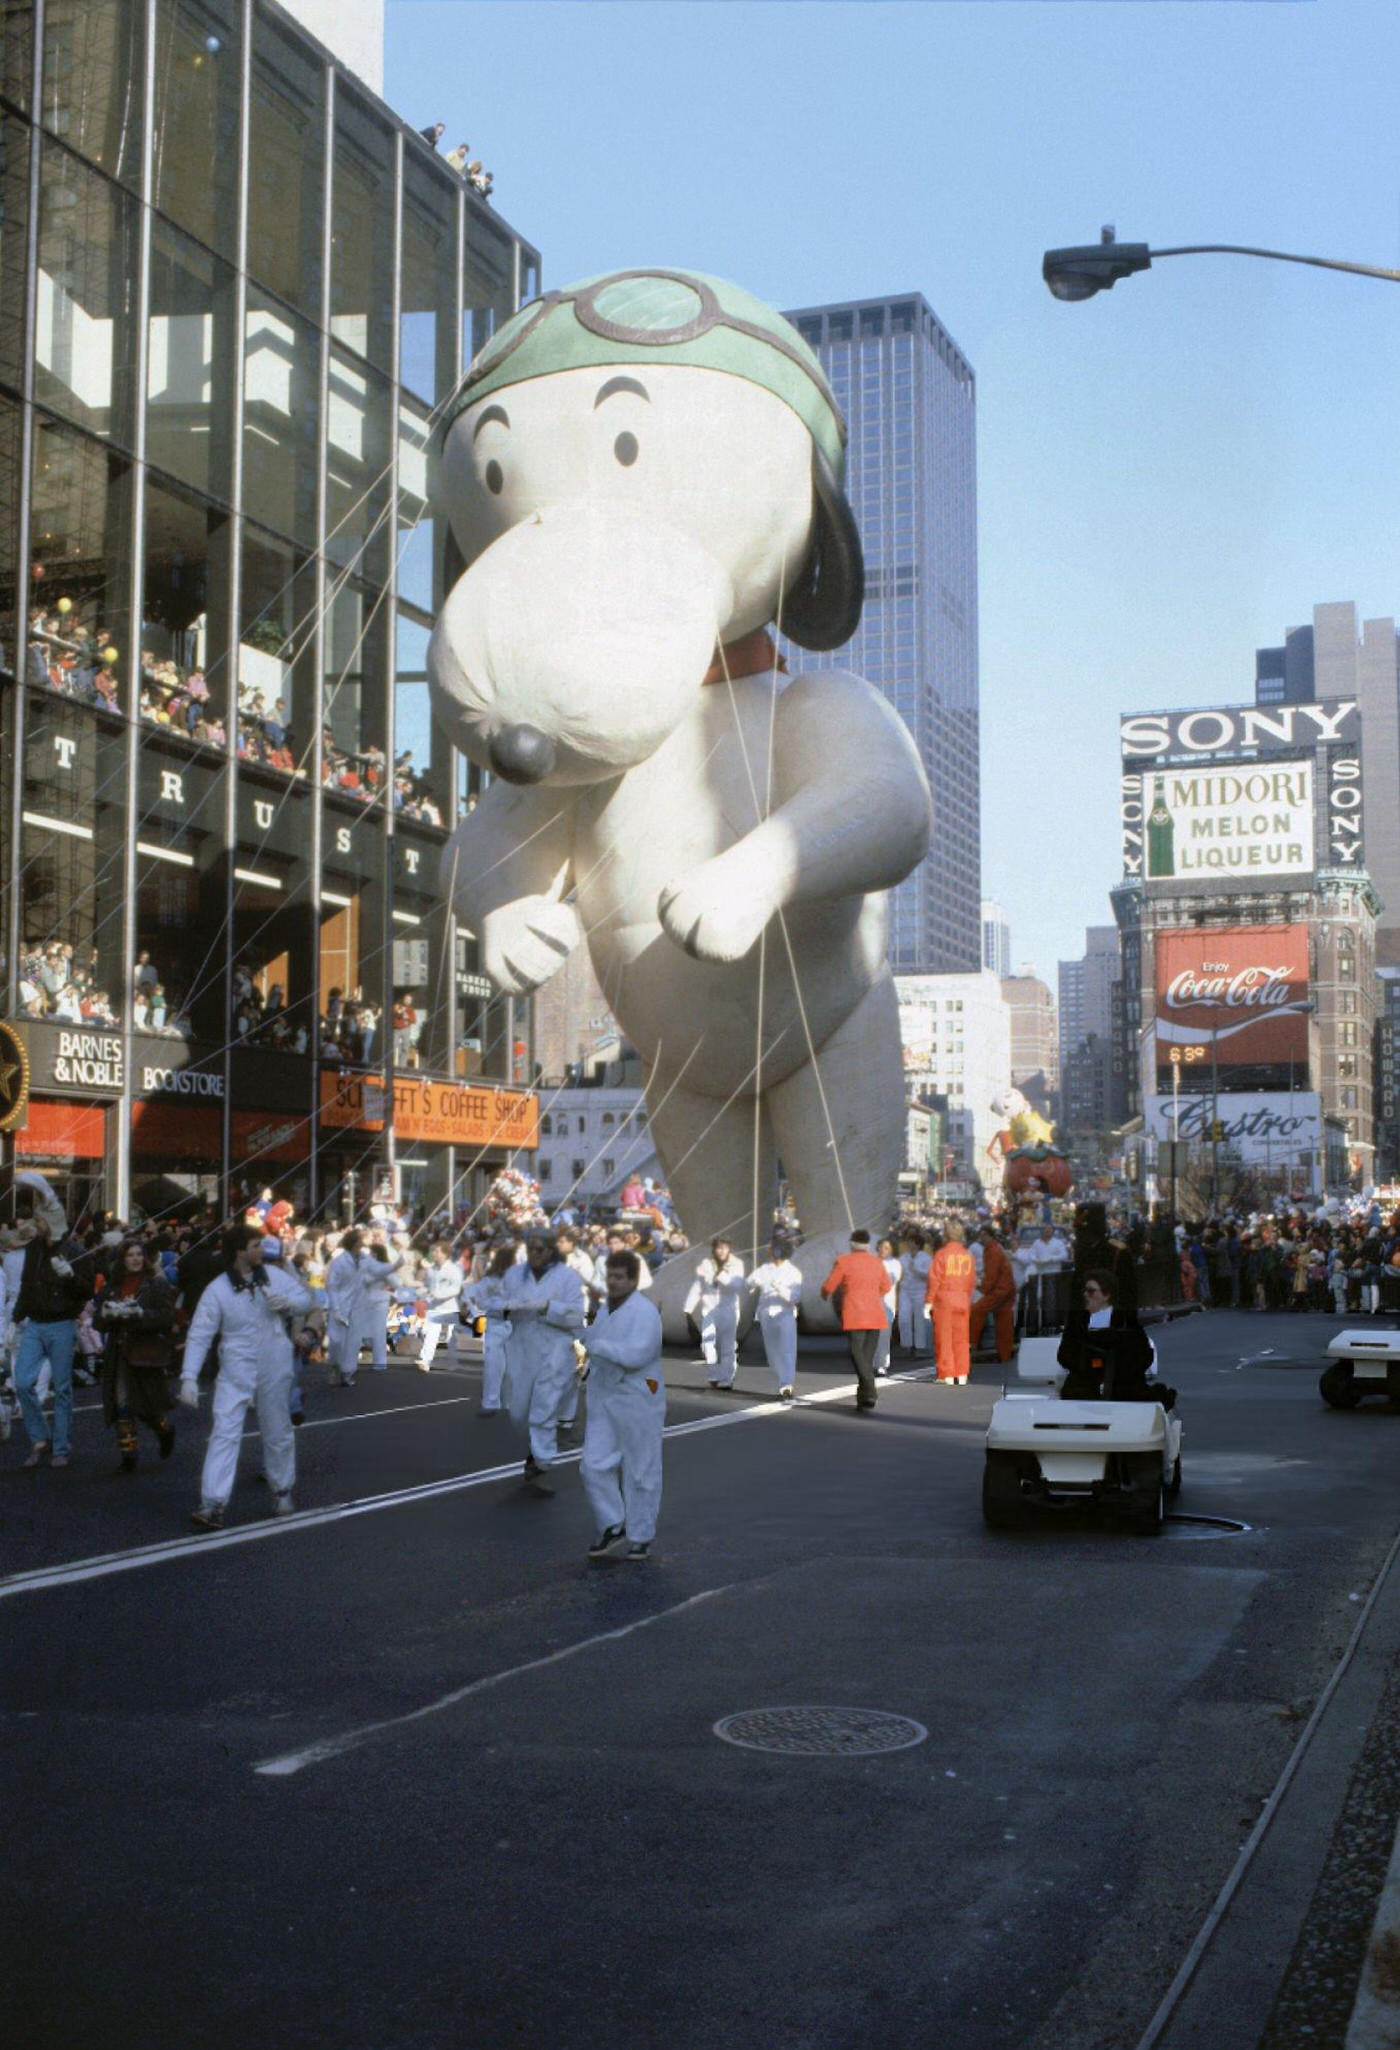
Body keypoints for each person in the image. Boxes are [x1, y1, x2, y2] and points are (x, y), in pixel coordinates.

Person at [180, 1225, 314, 1528]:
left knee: (277, 1427)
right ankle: (213, 1502)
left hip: (274, 1360)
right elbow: (200, 1333)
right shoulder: (218, 1290)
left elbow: (305, 1299)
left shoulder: (275, 1277)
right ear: (239, 1251)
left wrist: (289, 1303)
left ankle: (282, 1490)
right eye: (255, 1245)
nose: (261, 1251)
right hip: (237, 1364)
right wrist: (189, 1375)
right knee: (224, 1430)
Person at [580, 1250, 666, 1562]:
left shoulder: (645, 1312)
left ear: (632, 1279)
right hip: (604, 1395)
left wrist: (597, 1346)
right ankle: (612, 1522)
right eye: (610, 1276)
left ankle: (641, 1534)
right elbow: (596, 1345)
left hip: (639, 1395)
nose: (613, 1283)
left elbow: (639, 1354)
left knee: (641, 1467)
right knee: (593, 1464)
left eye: (619, 1277)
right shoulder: (605, 1309)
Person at [500, 1230, 587, 1492]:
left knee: (544, 1408)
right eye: (530, 1249)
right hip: (521, 1348)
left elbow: (576, 1315)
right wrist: (507, 1307)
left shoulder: (568, 1278)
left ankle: (541, 1463)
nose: (533, 1254)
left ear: (551, 1251)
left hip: (555, 1350)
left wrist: (548, 1308)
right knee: (518, 1411)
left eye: (539, 1249)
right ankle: (535, 1451)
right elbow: (497, 1305)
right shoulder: (514, 1274)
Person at [11, 1214, 95, 1468]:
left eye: (41, 1220)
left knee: (61, 1389)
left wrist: (69, 1276)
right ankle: (41, 1438)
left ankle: (59, 1447)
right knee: (22, 1381)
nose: (37, 1225)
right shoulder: (34, 1248)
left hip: (61, 1323)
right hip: (35, 1323)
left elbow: (87, 1291)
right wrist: (15, 1319)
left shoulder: (75, 1250)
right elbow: (27, 1285)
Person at [97, 1238, 177, 1471]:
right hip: (120, 1352)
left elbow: (166, 1317)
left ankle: (165, 1430)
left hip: (145, 1351)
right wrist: (109, 1314)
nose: (135, 1259)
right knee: (122, 1403)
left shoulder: (155, 1284)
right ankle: (128, 1456)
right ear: (122, 1260)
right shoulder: (112, 1287)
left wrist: (140, 1314)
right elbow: (97, 1320)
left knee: (148, 1406)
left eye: (139, 1255)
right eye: (130, 1255)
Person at [1057, 1270, 1162, 1403]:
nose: (1085, 1295)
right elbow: (1064, 1355)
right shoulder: (1076, 1322)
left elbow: (1142, 1356)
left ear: (1106, 1295)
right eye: (1084, 1291)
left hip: (1121, 1387)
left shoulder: (1125, 1321)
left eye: (1091, 1291)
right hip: (1083, 1386)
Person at [820, 1228, 891, 1411]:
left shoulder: (844, 1261)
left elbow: (830, 1285)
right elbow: (886, 1286)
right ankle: (864, 1396)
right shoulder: (877, 1262)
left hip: (855, 1315)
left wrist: (824, 1294)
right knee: (866, 1357)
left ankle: (870, 1390)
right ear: (867, 1245)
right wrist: (872, 1296)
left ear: (852, 1244)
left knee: (857, 1354)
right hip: (875, 1314)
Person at [685, 1237, 746, 1388]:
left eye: (724, 1248)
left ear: (729, 1249)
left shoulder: (737, 1264)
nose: (721, 1251)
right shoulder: (706, 1264)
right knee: (707, 1342)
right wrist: (688, 1308)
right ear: (714, 1249)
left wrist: (723, 1276)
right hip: (709, 1309)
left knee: (727, 1346)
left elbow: (737, 1286)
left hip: (728, 1309)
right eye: (719, 1248)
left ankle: (727, 1379)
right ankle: (713, 1374)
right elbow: (697, 1286)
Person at [747, 1238, 804, 1399]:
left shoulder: (793, 1272)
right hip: (766, 1313)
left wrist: (779, 1287)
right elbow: (748, 1283)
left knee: (787, 1349)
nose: (771, 1252)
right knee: (772, 1352)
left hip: (784, 1312)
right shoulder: (764, 1269)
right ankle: (781, 1377)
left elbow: (795, 1297)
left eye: (774, 1249)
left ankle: (787, 1383)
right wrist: (753, 1281)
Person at [465, 1243, 515, 1415]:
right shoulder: (490, 1280)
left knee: (511, 1368)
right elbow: (479, 1300)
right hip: (496, 1321)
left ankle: (509, 1402)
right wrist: (497, 1304)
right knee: (494, 1364)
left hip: (515, 1324)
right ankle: (491, 1402)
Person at [926, 1221, 977, 1385]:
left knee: (944, 1337)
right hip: (962, 1299)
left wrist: (928, 1302)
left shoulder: (941, 1254)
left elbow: (935, 1280)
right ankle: (962, 1373)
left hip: (945, 1299)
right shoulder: (968, 1256)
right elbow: (971, 1281)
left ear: (946, 1235)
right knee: (962, 1338)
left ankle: (946, 1373)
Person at [348, 1232, 401, 1374]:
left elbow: (397, 1282)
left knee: (378, 1333)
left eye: (371, 1254)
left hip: (379, 1302)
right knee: (358, 1332)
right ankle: (351, 1362)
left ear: (376, 1255)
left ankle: (380, 1362)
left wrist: (388, 1284)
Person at [970, 1226, 1017, 1363]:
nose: (982, 1238)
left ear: (990, 1236)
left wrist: (982, 1287)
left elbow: (991, 1274)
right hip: (1006, 1289)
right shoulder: (996, 1248)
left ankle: (972, 1344)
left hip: (999, 1291)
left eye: (984, 1235)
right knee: (1004, 1322)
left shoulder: (992, 1251)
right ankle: (1005, 1354)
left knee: (976, 1311)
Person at [418, 1240, 465, 1371]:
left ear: (445, 1254)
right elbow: (427, 1285)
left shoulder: (454, 1269)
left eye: (437, 1251)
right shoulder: (431, 1270)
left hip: (450, 1305)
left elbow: (456, 1289)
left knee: (451, 1337)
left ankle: (452, 1362)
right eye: (433, 1251)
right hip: (434, 1306)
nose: (434, 1253)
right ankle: (425, 1360)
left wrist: (439, 1294)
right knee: (431, 1332)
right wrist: (423, 1292)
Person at [896, 1232, 932, 1356]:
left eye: (911, 1242)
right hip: (905, 1290)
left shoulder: (926, 1257)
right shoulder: (903, 1257)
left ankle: (920, 1347)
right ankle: (907, 1345)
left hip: (920, 1290)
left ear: (917, 1244)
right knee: (904, 1318)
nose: (908, 1244)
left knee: (919, 1319)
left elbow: (929, 1274)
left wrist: (916, 1270)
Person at [873, 1235, 903, 1377]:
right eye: (881, 1247)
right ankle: (872, 1362)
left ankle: (882, 1364)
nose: (883, 1250)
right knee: (872, 1334)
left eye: (886, 1248)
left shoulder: (895, 1264)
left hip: (887, 1303)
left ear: (891, 1250)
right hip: (871, 1303)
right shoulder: (872, 1262)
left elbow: (891, 1280)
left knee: (884, 1335)